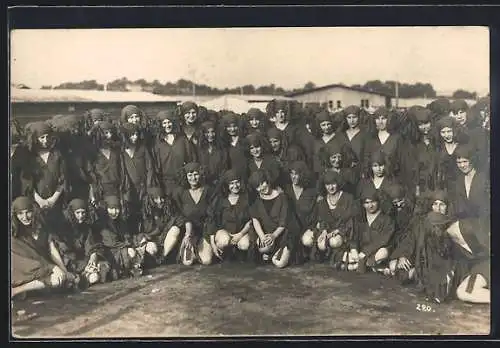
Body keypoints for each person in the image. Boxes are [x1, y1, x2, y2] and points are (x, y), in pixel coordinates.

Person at [11, 197, 78, 299]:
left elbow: (52, 250)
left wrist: (64, 270)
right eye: (20, 214)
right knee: (56, 280)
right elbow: (27, 258)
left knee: (65, 279)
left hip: (43, 268)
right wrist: (53, 268)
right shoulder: (16, 234)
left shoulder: (42, 228)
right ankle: (15, 291)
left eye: (28, 212)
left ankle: (30, 290)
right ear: (15, 215)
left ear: (33, 211)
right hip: (26, 270)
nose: (25, 217)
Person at [52, 198, 110, 287]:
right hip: (69, 261)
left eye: (83, 213)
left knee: (103, 267)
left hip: (83, 259)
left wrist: (93, 257)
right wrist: (84, 264)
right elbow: (65, 251)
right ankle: (83, 276)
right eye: (78, 213)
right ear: (72, 213)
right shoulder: (63, 228)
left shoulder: (86, 228)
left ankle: (87, 275)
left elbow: (91, 245)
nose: (81, 216)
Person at [249, 169, 300, 268]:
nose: (262, 187)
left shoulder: (282, 197)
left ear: (267, 181)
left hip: (283, 234)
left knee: (280, 264)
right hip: (266, 233)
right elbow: (255, 219)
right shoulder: (257, 200)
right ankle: (271, 252)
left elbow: (284, 222)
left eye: (263, 183)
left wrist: (273, 236)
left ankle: (276, 253)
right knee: (263, 248)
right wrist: (263, 237)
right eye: (257, 186)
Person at [205, 169, 255, 263]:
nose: (235, 186)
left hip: (241, 231)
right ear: (226, 185)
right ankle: (225, 253)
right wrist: (212, 244)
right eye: (231, 183)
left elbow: (251, 220)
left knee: (245, 244)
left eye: (237, 182)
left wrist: (240, 234)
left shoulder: (247, 198)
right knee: (224, 240)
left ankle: (237, 253)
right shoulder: (220, 199)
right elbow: (212, 220)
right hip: (224, 232)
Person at [26, 121, 68, 225]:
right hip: (36, 203)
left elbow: (63, 179)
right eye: (42, 138)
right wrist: (40, 201)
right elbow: (27, 182)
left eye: (48, 137)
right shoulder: (30, 157)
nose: (45, 140)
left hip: (57, 201)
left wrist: (53, 199)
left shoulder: (57, 155)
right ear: (35, 139)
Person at [173, 162, 215, 266]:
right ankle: (190, 249)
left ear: (201, 174)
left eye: (196, 174)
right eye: (190, 175)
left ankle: (200, 249)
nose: (193, 178)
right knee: (188, 262)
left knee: (207, 261)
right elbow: (180, 215)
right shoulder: (181, 193)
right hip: (189, 231)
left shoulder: (208, 190)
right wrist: (188, 233)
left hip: (205, 230)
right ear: (185, 176)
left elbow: (212, 215)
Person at [118, 122, 157, 232]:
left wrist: (148, 185)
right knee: (130, 214)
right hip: (129, 189)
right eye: (131, 134)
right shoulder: (120, 151)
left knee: (145, 213)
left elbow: (150, 168)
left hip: (143, 187)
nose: (135, 137)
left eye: (136, 134)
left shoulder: (142, 149)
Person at [314, 171, 358, 268]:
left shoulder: (348, 198)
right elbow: (322, 219)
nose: (331, 187)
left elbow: (351, 221)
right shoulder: (322, 201)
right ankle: (334, 257)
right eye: (327, 185)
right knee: (321, 244)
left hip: (344, 231)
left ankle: (341, 256)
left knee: (334, 242)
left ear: (338, 183)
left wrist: (337, 232)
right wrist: (324, 231)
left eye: (333, 184)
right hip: (329, 231)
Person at [96, 195, 144, 279]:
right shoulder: (102, 224)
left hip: (119, 249)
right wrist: (126, 246)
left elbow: (126, 237)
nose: (114, 212)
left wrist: (129, 244)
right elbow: (111, 242)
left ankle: (130, 268)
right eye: (111, 208)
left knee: (134, 249)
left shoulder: (121, 222)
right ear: (106, 209)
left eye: (117, 209)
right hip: (107, 252)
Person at [152, 110, 197, 197]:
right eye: (164, 123)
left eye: (169, 122)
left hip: (182, 182)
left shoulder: (182, 139)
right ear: (160, 125)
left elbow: (191, 159)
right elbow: (155, 165)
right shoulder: (156, 143)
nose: (167, 125)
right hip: (165, 183)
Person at [352, 186, 395, 273]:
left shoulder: (387, 219)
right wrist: (354, 249)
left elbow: (383, 240)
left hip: (376, 251)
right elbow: (354, 236)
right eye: (367, 203)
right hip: (362, 252)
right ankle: (371, 266)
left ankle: (359, 265)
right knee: (349, 254)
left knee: (383, 253)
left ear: (378, 202)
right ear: (363, 204)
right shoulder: (360, 218)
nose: (370, 205)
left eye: (373, 202)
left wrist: (366, 252)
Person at [138, 187, 185, 265]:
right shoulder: (145, 213)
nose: (159, 201)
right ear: (150, 199)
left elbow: (180, 219)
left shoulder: (169, 208)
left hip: (166, 241)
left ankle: (162, 258)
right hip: (151, 240)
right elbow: (140, 233)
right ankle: (155, 259)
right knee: (152, 248)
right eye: (156, 198)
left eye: (162, 198)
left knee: (175, 229)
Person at [286, 161, 318, 262]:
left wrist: (311, 228)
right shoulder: (286, 190)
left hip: (307, 227)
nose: (294, 177)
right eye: (292, 173)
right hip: (291, 230)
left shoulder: (311, 191)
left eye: (297, 174)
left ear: (302, 174)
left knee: (307, 241)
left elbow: (315, 214)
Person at [196, 120, 229, 187]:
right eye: (207, 132)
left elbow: (224, 167)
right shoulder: (199, 150)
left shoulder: (222, 149)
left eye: (213, 132)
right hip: (203, 184)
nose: (210, 135)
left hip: (219, 184)